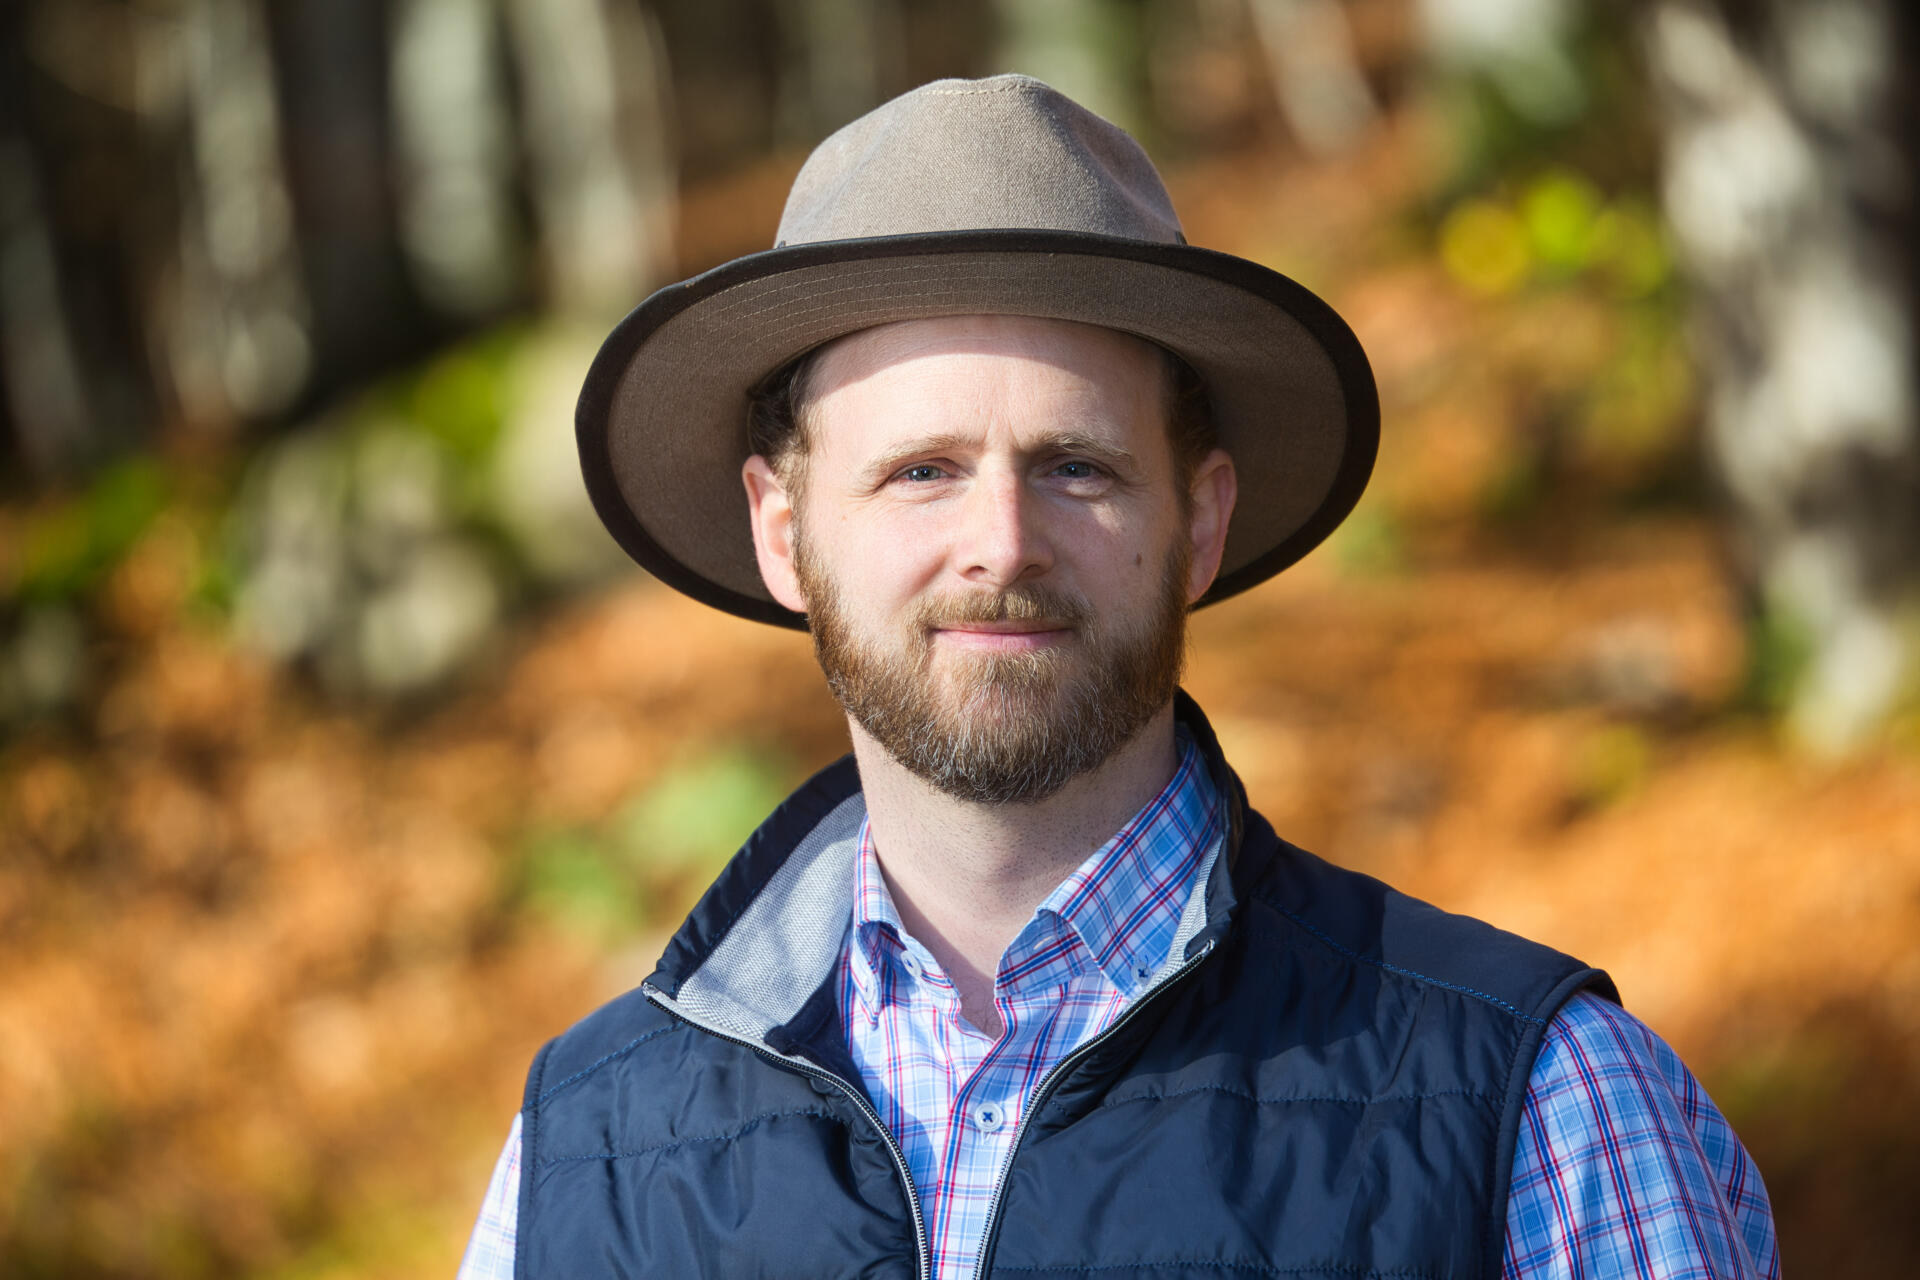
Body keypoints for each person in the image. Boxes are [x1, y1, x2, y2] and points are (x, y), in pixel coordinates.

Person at [459, 75, 1777, 1280]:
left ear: (1200, 521)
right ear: (782, 530)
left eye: (1075, 467)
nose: (1003, 544)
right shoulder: (580, 1164)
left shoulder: (1543, 1108)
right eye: (921, 471)